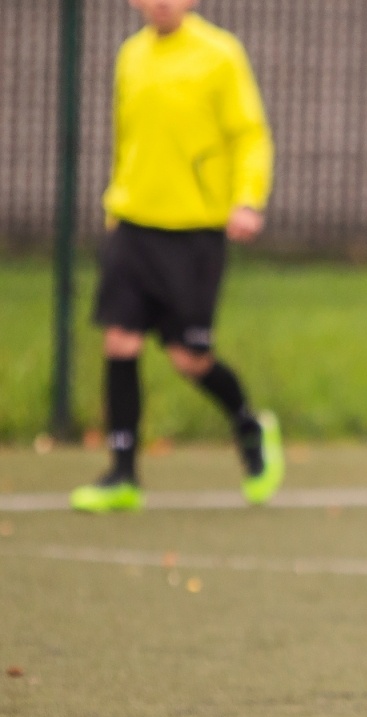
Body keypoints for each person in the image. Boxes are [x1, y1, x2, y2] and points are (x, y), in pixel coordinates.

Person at [72, 0, 283, 514]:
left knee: (188, 358)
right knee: (120, 341)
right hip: (132, 224)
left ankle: (249, 425)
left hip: (194, 233)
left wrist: (247, 198)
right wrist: (115, 202)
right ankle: (122, 473)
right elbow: (127, 141)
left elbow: (249, 134)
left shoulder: (220, 54)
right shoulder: (130, 56)